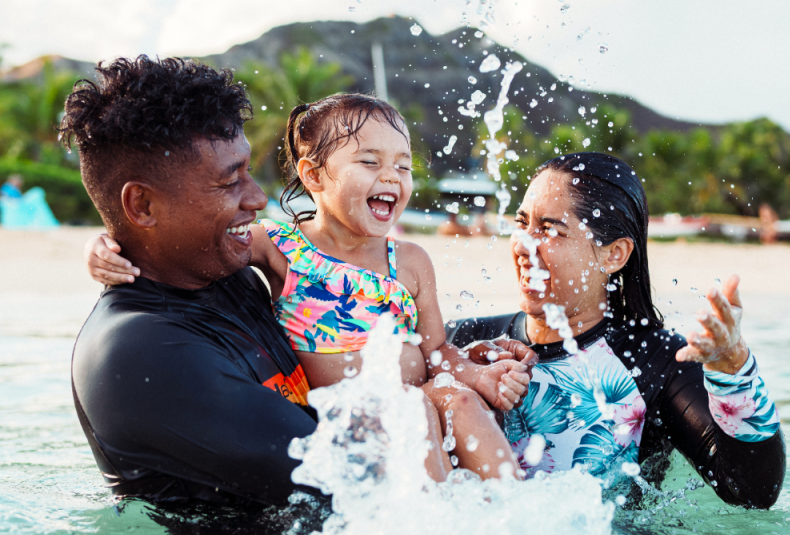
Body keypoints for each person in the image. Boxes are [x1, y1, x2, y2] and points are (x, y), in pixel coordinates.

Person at [67, 57, 527, 506]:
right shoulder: (141, 353)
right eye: (229, 182)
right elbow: (336, 470)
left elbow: (379, 326)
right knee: (416, 412)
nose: (259, 196)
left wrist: (491, 345)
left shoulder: (218, 277)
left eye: (248, 171)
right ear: (144, 207)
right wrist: (425, 396)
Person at [448, 152, 786, 509]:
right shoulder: (463, 343)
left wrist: (733, 372)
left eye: (549, 229)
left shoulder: (656, 363)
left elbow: (752, 492)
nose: (523, 244)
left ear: (614, 255)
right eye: (522, 223)